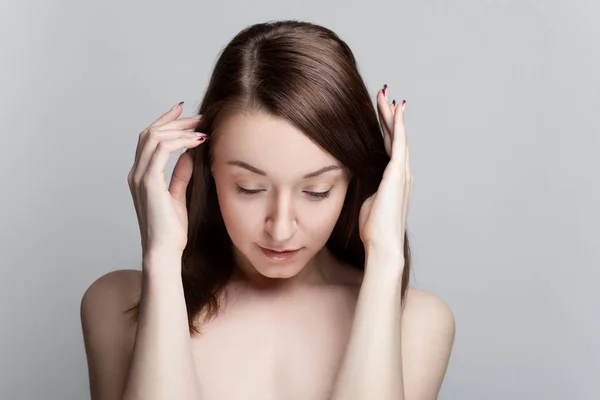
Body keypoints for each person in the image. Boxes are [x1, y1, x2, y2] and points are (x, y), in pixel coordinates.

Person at [80, 20, 455, 400]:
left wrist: (385, 258)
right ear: (207, 169)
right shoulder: (117, 304)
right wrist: (161, 260)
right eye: (250, 188)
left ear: (354, 183)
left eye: (317, 191)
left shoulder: (417, 323)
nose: (280, 229)